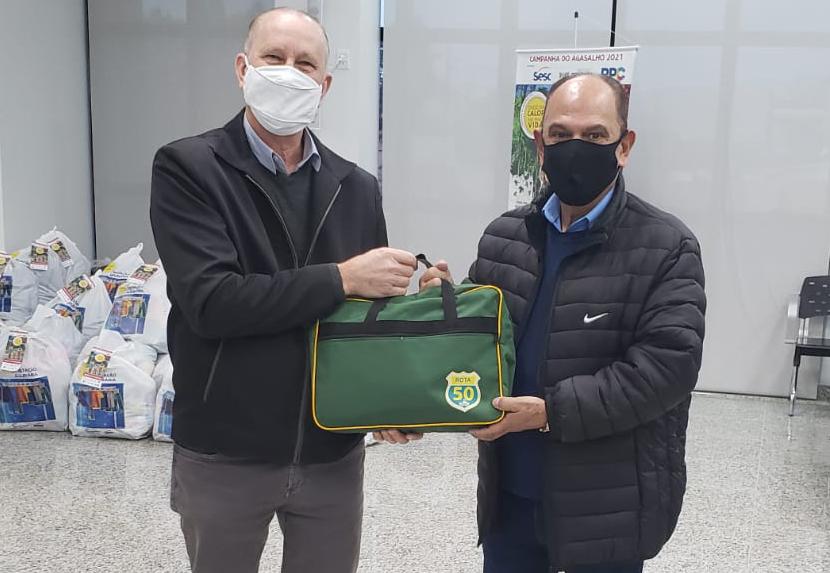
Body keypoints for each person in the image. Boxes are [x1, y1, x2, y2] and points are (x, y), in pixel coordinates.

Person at [150, 8, 419, 573]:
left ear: (325, 84)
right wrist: (342, 278)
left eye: (306, 64)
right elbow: (212, 302)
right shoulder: (190, 169)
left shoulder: (356, 187)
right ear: (242, 68)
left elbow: (370, 320)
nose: (289, 72)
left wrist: (394, 399)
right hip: (226, 450)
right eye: (274, 58)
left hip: (331, 451)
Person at [421, 73, 706, 572]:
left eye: (595, 135)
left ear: (624, 146)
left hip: (606, 506)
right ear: (540, 145)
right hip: (510, 496)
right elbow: (480, 335)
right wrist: (443, 304)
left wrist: (550, 411)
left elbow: (667, 368)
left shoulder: (667, 246)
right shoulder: (505, 236)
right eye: (560, 134)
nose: (576, 148)